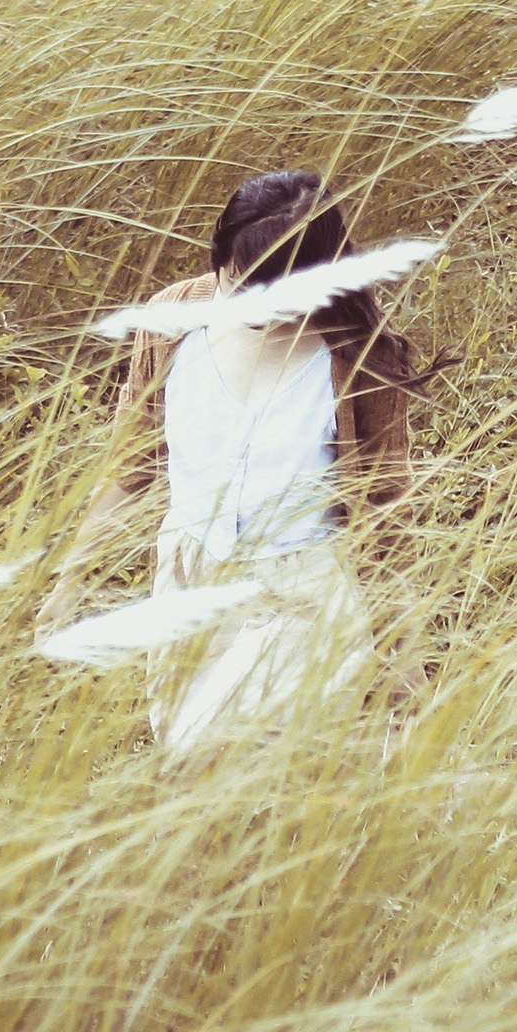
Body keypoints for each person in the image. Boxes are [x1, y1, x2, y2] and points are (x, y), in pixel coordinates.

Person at [35, 170, 450, 749]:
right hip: (190, 578)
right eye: (241, 281)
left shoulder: (360, 359)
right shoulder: (172, 321)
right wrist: (71, 581)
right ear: (221, 256)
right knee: (190, 770)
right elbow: (129, 468)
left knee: (269, 777)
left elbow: (385, 514)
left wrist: (404, 657)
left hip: (303, 588)